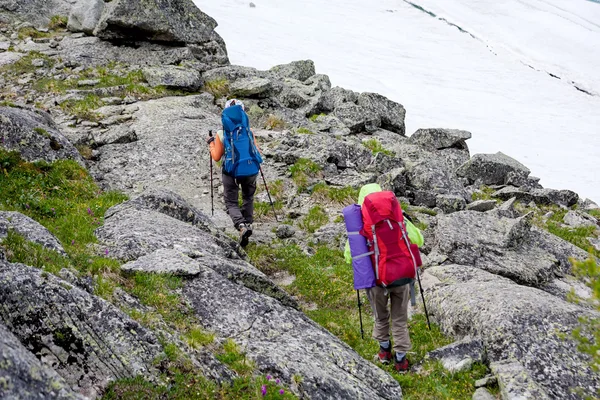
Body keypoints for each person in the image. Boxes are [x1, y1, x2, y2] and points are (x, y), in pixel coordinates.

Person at [344, 183, 424, 372]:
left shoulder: (360, 224)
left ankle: (384, 352)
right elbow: (418, 239)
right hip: (401, 276)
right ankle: (401, 360)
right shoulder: (397, 217)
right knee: (399, 318)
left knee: (381, 317)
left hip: (376, 280)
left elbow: (349, 256)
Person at [207, 99, 261, 247]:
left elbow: (217, 157)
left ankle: (241, 226)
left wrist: (211, 143)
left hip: (231, 171)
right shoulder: (248, 131)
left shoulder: (221, 133)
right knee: (248, 197)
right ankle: (248, 224)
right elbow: (256, 151)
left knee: (231, 201)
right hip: (250, 169)